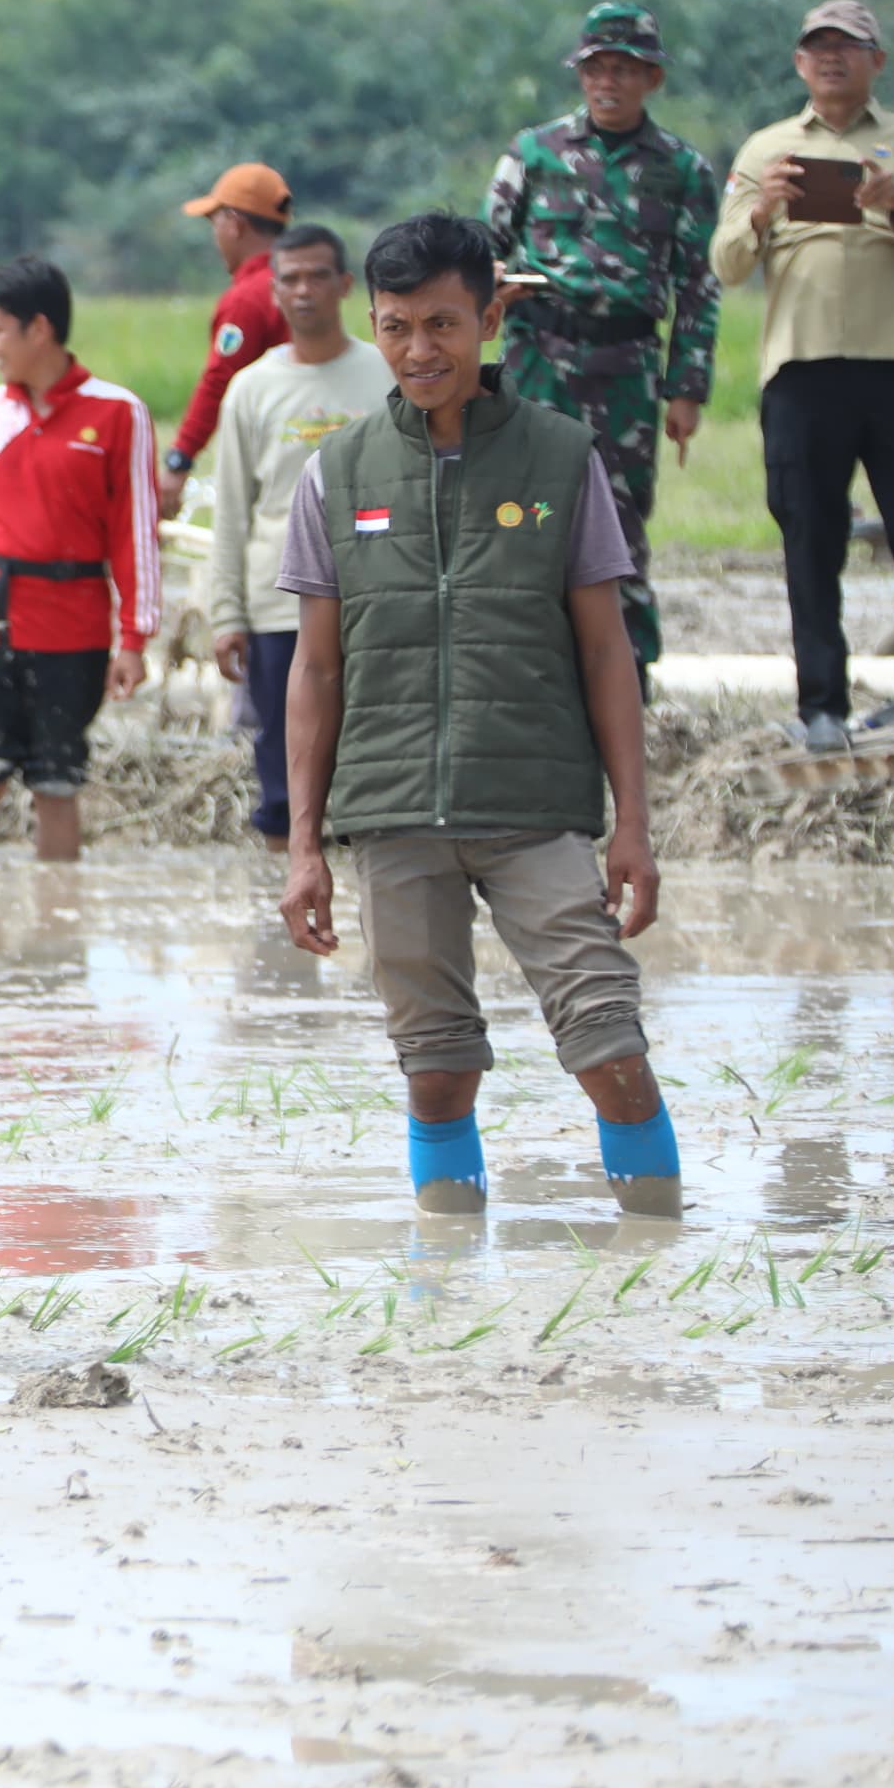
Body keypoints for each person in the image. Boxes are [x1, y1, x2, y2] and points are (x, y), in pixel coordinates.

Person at [275, 211, 680, 1220]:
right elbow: (316, 672)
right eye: (399, 326)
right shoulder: (338, 471)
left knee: (608, 1044)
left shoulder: (560, 455)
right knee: (435, 1066)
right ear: (375, 325)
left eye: (445, 324)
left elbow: (605, 648)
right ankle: (445, 1272)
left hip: (535, 803)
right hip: (395, 811)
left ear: (490, 317)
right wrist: (302, 843)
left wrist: (631, 822)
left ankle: (659, 1242)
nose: (421, 350)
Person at [713, 0, 894, 750]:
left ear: (877, 61)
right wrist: (763, 211)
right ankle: (821, 705)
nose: (832, 58)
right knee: (811, 535)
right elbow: (727, 263)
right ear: (800, 63)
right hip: (801, 369)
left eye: (849, 47)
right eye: (818, 47)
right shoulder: (767, 146)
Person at [484, 2, 724, 673]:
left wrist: (687, 388)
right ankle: (526, 660)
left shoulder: (680, 169)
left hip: (625, 362)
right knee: (522, 508)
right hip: (538, 352)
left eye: (624, 69)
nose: (608, 83)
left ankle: (626, 665)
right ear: (580, 75)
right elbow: (482, 248)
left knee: (617, 515)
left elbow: (700, 284)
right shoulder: (534, 152)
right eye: (596, 69)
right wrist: (489, 288)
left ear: (652, 77)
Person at [0, 255, 158, 862]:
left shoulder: (117, 412)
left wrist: (134, 639)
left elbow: (135, 534)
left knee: (58, 786)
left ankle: (58, 948)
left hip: (72, 631)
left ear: (40, 329)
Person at [205, 223, 393, 850]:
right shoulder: (251, 388)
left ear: (344, 286)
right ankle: (285, 920)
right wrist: (225, 613)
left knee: (375, 765)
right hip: (276, 605)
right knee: (285, 773)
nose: (304, 290)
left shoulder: (385, 374)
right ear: (274, 292)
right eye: (290, 279)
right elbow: (231, 511)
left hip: (375, 603)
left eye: (318, 276)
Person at [157, 162, 296, 519]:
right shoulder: (306, 284)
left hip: (269, 460)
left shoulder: (248, 298)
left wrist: (179, 461)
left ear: (234, 224)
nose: (215, 234)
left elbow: (220, 380)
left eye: (214, 222)